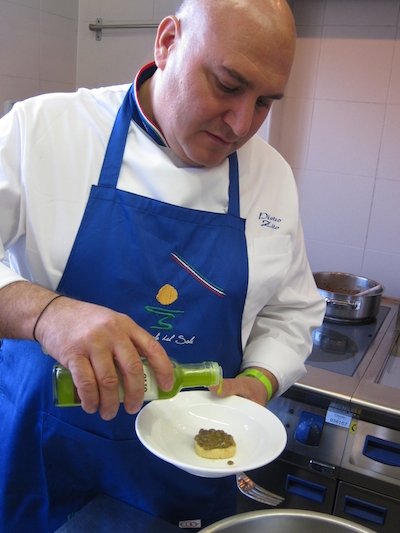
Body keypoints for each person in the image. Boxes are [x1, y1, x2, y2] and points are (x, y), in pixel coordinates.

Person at [0, 0, 325, 531]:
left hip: (186, 479)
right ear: (168, 41)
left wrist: (259, 383)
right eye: (227, 85)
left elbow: (290, 313)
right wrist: (47, 314)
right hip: (47, 463)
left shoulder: (272, 177)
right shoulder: (43, 131)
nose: (243, 124)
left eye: (265, 102)